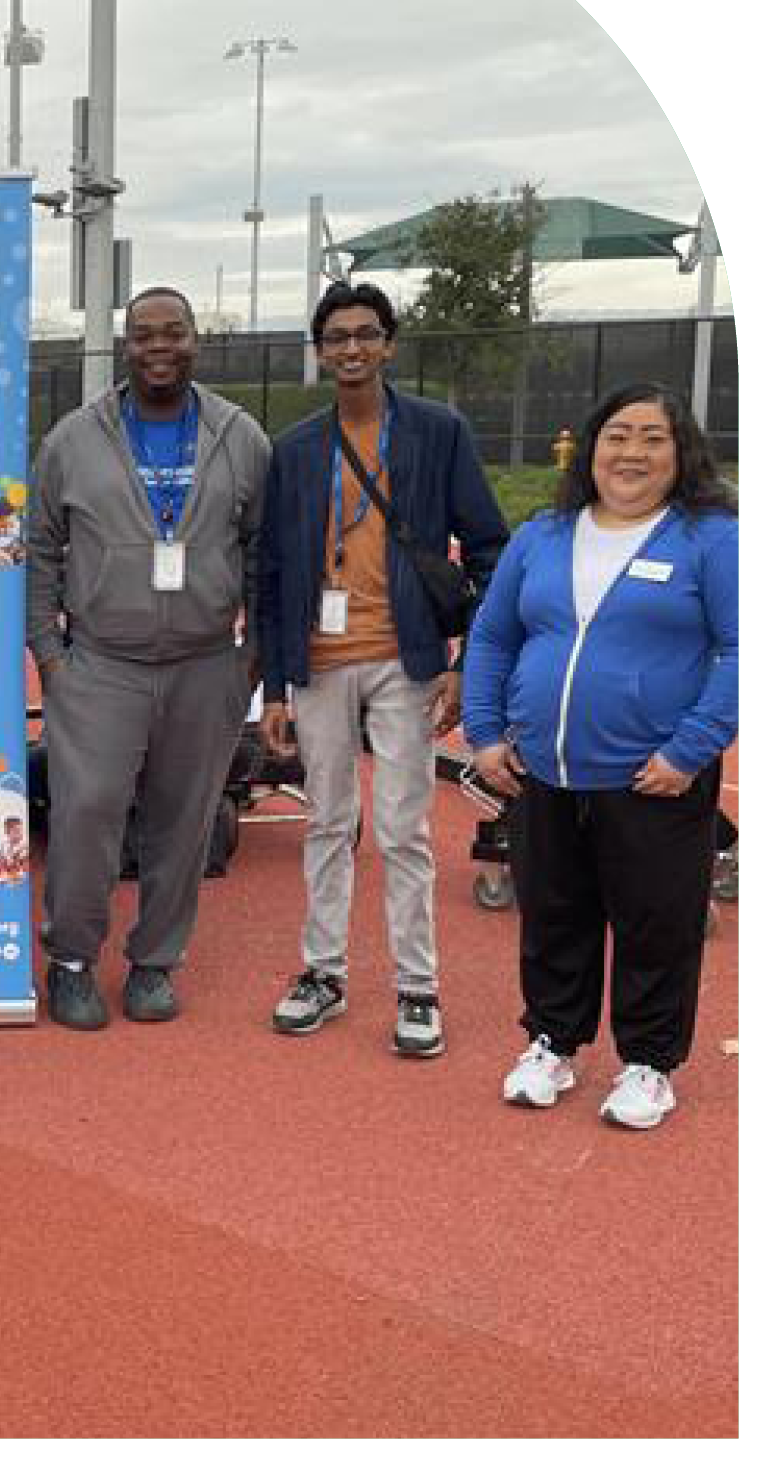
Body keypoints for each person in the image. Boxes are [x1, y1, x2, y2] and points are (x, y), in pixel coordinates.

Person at [461, 383, 736, 1129]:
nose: (631, 452)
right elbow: (491, 637)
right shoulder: (543, 535)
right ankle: (551, 1042)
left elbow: (743, 649)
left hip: (652, 775)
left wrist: (689, 749)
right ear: (590, 446)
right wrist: (484, 734)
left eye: (653, 437)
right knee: (553, 911)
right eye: (617, 434)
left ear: (681, 454)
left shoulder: (710, 538)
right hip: (541, 770)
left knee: (655, 921)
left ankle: (648, 1063)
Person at [258, 282, 509, 1058]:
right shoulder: (296, 447)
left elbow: (489, 544)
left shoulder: (436, 431)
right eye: (335, 337)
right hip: (320, 661)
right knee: (327, 819)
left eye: (365, 334)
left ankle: (417, 986)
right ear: (320, 349)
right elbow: (269, 570)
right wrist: (273, 684)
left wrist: (464, 657)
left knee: (403, 827)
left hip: (406, 657)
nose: (350, 348)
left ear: (389, 344)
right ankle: (322, 972)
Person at [27, 285, 270, 1029]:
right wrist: (52, 655)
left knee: (183, 819)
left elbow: (265, 557)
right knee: (86, 812)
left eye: (173, 332)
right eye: (142, 334)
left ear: (197, 340)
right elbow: (36, 549)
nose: (158, 346)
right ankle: (70, 960)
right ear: (123, 345)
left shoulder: (240, 436)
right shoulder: (73, 438)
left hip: (204, 663)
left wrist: (247, 663)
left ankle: (154, 961)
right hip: (99, 662)